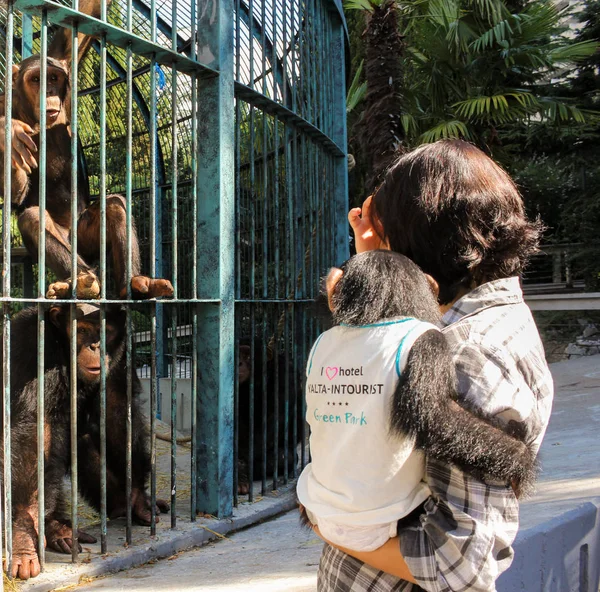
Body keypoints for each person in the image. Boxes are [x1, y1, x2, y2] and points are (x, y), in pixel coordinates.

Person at [314, 139, 554, 592]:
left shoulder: (464, 350)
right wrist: (376, 264)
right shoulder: (477, 316)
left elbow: (459, 562)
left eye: (388, 235)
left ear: (418, 243)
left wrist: (329, 523)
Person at [297, 250, 537, 555]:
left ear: (334, 290)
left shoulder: (324, 343)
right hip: (389, 518)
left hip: (317, 507)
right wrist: (516, 456)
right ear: (430, 290)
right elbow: (436, 422)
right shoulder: (420, 338)